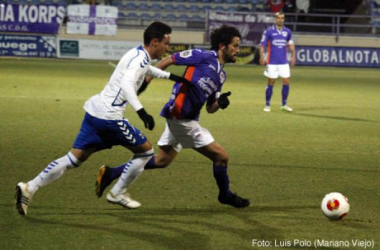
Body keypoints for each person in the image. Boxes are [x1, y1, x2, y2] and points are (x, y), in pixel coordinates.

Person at [15, 21, 191, 215]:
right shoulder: (140, 60)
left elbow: (147, 70)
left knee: (74, 158)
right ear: (155, 42)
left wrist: (173, 77)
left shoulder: (137, 53)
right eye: (166, 43)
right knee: (146, 152)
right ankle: (118, 193)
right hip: (110, 118)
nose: (168, 48)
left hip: (94, 112)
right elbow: (127, 83)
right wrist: (141, 111)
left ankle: (30, 187)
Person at [95, 25, 250, 209]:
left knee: (162, 160)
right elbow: (169, 59)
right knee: (221, 157)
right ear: (223, 46)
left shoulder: (221, 75)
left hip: (186, 119)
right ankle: (225, 195)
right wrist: (147, 80)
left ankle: (111, 174)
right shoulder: (202, 56)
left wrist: (220, 103)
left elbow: (210, 108)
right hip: (181, 118)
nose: (238, 50)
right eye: (235, 46)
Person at [259, 12, 296, 112]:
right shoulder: (269, 31)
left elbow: (291, 44)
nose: (280, 20)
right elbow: (262, 45)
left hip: (283, 62)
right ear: (275, 19)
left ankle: (284, 104)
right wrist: (262, 57)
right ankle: (267, 105)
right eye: (278, 18)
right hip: (272, 62)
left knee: (286, 81)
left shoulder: (287, 31)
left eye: (282, 18)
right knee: (271, 82)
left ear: (284, 19)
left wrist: (293, 57)